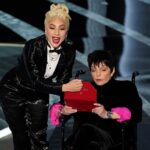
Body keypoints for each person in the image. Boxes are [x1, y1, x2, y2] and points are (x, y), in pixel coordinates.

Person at [0, 3, 83, 150]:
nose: (56, 33)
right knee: (21, 137)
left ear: (67, 32)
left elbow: (64, 78)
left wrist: (63, 106)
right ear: (45, 29)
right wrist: (64, 87)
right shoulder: (32, 46)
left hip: (39, 92)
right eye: (52, 27)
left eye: (61, 28)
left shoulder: (69, 49)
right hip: (13, 90)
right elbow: (35, 81)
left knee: (40, 137)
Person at [56, 50, 142, 150]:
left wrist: (107, 114)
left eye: (103, 70)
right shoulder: (82, 88)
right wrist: (63, 111)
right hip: (83, 139)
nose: (98, 74)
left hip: (112, 139)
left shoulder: (126, 87)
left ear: (112, 70)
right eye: (93, 70)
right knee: (88, 136)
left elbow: (136, 113)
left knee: (87, 131)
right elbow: (59, 110)